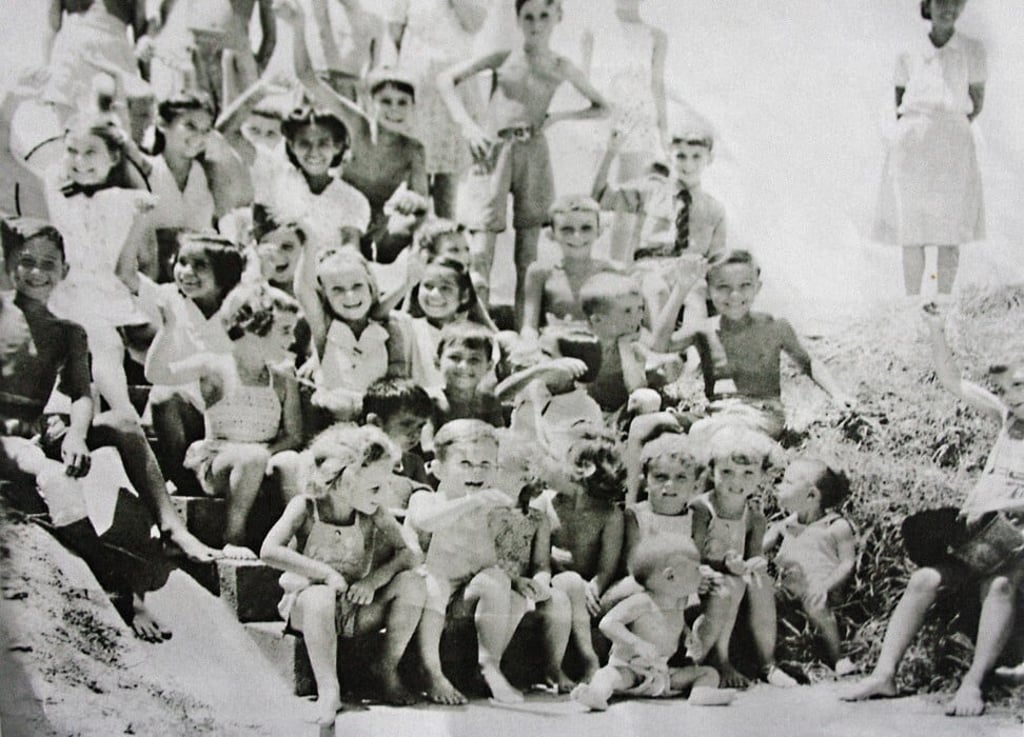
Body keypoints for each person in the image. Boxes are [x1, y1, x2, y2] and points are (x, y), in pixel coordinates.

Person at [0, 217, 218, 638]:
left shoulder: (67, 332)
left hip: (37, 429)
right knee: (54, 479)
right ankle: (120, 590)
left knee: (121, 421)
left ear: (64, 272)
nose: (37, 272)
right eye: (26, 261)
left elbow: (82, 393)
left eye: (49, 263)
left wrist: (78, 435)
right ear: (9, 262)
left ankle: (172, 527)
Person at [843, 303, 1024, 716]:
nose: (1012, 399)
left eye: (1020, 386)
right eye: (1005, 391)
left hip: (1019, 546)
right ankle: (884, 673)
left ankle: (973, 683)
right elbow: (953, 381)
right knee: (925, 578)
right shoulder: (1006, 419)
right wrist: (937, 330)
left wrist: (1004, 503)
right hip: (984, 539)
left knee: (998, 587)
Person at [437, 0, 609, 324]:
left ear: (558, 16)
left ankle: (523, 330)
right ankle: (475, 329)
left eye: (544, 15)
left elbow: (602, 106)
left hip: (535, 153)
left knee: (527, 256)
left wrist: (558, 116)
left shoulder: (561, 65)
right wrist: (467, 125)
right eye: (528, 16)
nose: (536, 23)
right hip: (495, 152)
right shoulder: (504, 57)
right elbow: (446, 80)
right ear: (518, 19)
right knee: (481, 250)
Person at [260, 424, 426, 727]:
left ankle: (386, 667)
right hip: (306, 608)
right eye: (375, 488)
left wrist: (374, 580)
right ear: (340, 482)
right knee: (320, 595)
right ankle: (329, 688)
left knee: (413, 584)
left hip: (353, 609)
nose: (384, 495)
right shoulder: (306, 508)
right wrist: (323, 573)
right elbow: (269, 550)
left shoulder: (373, 512)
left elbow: (410, 554)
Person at [146, 281, 304, 558]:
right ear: (255, 327)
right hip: (219, 465)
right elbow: (156, 374)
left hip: (261, 462)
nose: (293, 341)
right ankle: (233, 533)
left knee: (292, 461)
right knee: (250, 457)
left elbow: (293, 435)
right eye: (285, 331)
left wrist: (265, 454)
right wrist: (168, 328)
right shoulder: (216, 366)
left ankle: (297, 539)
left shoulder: (282, 377)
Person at [276, 0, 428, 264]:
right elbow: (307, 77)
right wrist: (298, 26)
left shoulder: (412, 149)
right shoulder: (357, 125)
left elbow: (421, 203)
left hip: (375, 224)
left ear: (413, 107)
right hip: (335, 211)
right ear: (371, 103)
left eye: (402, 103)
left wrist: (411, 201)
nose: (395, 110)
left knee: (414, 229)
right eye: (386, 102)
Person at [653, 250, 857, 439]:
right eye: (723, 287)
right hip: (715, 414)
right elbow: (659, 346)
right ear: (709, 292)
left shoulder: (774, 326)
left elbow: (808, 362)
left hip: (761, 413)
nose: (735, 296)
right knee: (645, 425)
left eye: (745, 286)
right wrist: (681, 289)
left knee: (705, 432)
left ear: (758, 287)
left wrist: (837, 394)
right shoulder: (704, 329)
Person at [34, 112, 156, 419]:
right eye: (72, 151)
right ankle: (123, 412)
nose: (79, 161)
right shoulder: (56, 192)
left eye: (90, 152)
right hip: (65, 290)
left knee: (109, 344)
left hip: (104, 289)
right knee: (103, 342)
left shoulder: (125, 201)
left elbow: (132, 263)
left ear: (114, 157)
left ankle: (122, 415)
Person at [405, 419, 527, 704]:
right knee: (433, 582)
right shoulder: (425, 498)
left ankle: (488, 666)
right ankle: (431, 670)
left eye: (485, 464)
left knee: (504, 585)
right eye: (465, 463)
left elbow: (489, 563)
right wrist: (473, 502)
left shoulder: (489, 508)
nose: (476, 471)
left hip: (462, 602)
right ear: (436, 469)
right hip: (424, 603)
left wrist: (518, 581)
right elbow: (426, 521)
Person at [874, 0, 985, 299]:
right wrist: (918, 132)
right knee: (913, 230)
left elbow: (976, 102)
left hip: (953, 145)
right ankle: (912, 305)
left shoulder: (972, 50)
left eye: (955, 2)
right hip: (913, 147)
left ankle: (944, 304)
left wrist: (946, 129)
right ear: (928, 4)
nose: (947, 9)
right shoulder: (908, 49)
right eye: (941, 1)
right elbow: (900, 101)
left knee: (950, 231)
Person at [688, 422, 797, 689]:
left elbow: (755, 555)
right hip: (703, 576)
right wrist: (724, 564)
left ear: (761, 475)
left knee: (760, 580)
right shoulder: (703, 508)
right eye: (727, 471)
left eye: (748, 472)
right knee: (733, 582)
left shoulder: (754, 517)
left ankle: (767, 663)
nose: (737, 481)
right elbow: (693, 553)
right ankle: (720, 657)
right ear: (712, 471)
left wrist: (755, 563)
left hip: (734, 574)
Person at [571, 537, 733, 710]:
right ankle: (597, 695)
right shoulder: (642, 602)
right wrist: (636, 643)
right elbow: (608, 623)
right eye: (696, 569)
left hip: (662, 671)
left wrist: (687, 635)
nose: (702, 573)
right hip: (630, 669)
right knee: (607, 675)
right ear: (671, 576)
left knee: (709, 672)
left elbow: (674, 623)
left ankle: (700, 693)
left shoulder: (679, 602)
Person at [593, 118, 724, 321]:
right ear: (670, 156)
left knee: (696, 297)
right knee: (657, 290)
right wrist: (610, 153)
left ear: (710, 158)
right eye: (681, 156)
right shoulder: (649, 191)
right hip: (648, 269)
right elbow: (599, 198)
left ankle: (694, 344)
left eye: (696, 156)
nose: (688, 164)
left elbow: (717, 259)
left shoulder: (714, 209)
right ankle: (658, 349)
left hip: (689, 276)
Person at [144, 233, 244, 495]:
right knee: (163, 395)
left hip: (229, 414)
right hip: (185, 411)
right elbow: (154, 373)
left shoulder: (240, 307)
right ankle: (181, 479)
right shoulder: (170, 299)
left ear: (224, 275)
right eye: (182, 262)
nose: (186, 272)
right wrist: (167, 328)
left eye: (200, 265)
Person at [579, 0, 667, 261]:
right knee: (597, 194)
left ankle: (621, 266)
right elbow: (584, 81)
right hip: (605, 118)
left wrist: (664, 130)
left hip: (639, 120)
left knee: (629, 197)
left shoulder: (655, 35)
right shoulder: (593, 31)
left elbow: (657, 85)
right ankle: (589, 263)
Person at [539, 424, 626, 682]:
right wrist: (552, 557)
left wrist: (596, 586)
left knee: (577, 584)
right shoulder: (546, 502)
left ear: (579, 474)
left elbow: (607, 566)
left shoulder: (609, 514)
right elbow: (538, 557)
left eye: (557, 461)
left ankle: (588, 659)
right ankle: (586, 657)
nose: (548, 466)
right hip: (556, 582)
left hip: (586, 587)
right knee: (571, 582)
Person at [491, 432, 575, 692]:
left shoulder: (537, 519)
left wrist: (541, 581)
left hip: (524, 583)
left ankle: (553, 668)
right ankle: (492, 667)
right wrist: (514, 582)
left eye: (498, 467)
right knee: (506, 598)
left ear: (526, 476)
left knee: (558, 600)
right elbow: (480, 557)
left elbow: (541, 563)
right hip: (492, 581)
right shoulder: (485, 511)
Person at [143, 91, 252, 281]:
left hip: (200, 280)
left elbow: (243, 199)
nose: (199, 136)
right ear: (162, 124)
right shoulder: (145, 169)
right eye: (190, 126)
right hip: (152, 277)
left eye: (206, 130)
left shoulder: (209, 173)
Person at [763, 456, 857, 675]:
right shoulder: (785, 524)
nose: (779, 486)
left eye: (787, 483)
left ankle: (837, 657)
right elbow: (759, 547)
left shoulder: (836, 526)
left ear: (812, 495)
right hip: (787, 590)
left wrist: (825, 586)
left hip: (821, 590)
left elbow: (847, 563)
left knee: (815, 605)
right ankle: (768, 658)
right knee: (762, 596)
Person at [297, 246, 408, 424]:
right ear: (324, 296)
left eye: (357, 286)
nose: (350, 295)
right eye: (337, 289)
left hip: (377, 423)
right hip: (333, 425)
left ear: (371, 287)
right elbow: (304, 291)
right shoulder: (325, 330)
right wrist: (308, 241)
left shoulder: (389, 330)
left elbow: (399, 384)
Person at [520, 195, 621, 342]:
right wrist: (529, 344)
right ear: (551, 234)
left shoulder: (611, 272)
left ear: (599, 231)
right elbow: (529, 326)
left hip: (598, 348)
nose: (577, 236)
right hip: (555, 350)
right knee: (507, 339)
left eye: (586, 228)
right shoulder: (540, 273)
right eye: (567, 229)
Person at [151, 0, 275, 111]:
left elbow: (271, 35)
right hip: (195, 54)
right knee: (194, 114)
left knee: (236, 121)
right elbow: (163, 12)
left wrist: (257, 68)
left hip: (235, 56)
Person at [400, 254, 496, 392]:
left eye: (445, 288)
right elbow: (378, 314)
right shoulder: (408, 327)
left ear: (464, 296)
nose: (434, 294)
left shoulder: (477, 334)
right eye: (428, 285)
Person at [578, 272, 652, 416]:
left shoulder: (633, 346)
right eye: (627, 311)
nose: (638, 317)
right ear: (597, 320)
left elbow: (638, 390)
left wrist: (624, 347)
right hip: (588, 412)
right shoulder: (583, 347)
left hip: (622, 412)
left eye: (640, 308)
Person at [362, 377, 434, 487]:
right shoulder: (359, 462)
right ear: (376, 422)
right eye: (406, 424)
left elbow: (426, 497)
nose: (415, 434)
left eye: (420, 426)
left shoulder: (414, 463)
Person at [433, 321, 503, 428]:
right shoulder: (432, 402)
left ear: (489, 366)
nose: (464, 366)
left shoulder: (489, 403)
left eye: (474, 359)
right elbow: (428, 444)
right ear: (437, 362)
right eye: (455, 357)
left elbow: (499, 439)